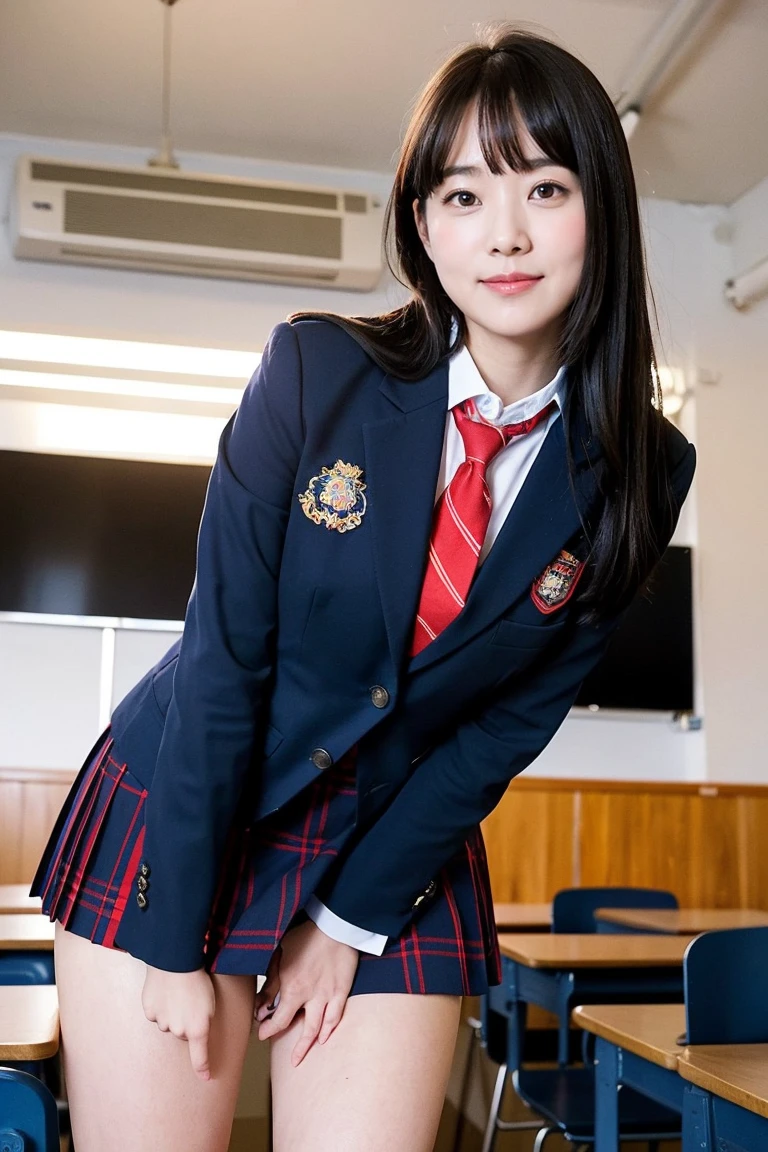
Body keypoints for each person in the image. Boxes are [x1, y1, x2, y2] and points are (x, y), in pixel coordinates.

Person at [32, 23, 696, 1152]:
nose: (507, 234)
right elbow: (224, 661)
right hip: (191, 803)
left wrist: (348, 918)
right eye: (464, 196)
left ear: (605, 210)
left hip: (397, 840)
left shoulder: (644, 465)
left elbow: (504, 728)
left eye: (545, 185)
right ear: (422, 224)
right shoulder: (314, 371)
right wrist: (179, 939)